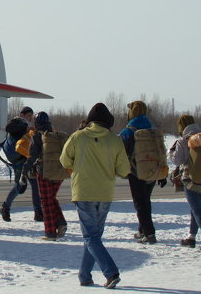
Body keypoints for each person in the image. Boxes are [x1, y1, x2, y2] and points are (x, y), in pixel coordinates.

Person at [60, 103, 129, 289]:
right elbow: (124, 169)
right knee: (94, 236)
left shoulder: (78, 137)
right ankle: (84, 275)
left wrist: (76, 167)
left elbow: (64, 159)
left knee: (91, 237)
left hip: (83, 191)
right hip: (105, 192)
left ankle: (111, 272)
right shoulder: (115, 140)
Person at [169, 114, 201, 252]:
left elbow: (177, 160)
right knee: (195, 209)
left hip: (190, 181)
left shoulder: (183, 141)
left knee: (196, 210)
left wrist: (170, 152)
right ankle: (191, 237)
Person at [118, 100, 162, 244]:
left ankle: (149, 233)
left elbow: (119, 148)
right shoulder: (151, 128)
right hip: (152, 171)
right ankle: (143, 229)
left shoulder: (129, 130)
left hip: (136, 172)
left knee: (140, 203)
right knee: (146, 201)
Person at [24, 111, 67, 239]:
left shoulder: (37, 136)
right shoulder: (55, 135)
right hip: (59, 173)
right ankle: (60, 222)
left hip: (44, 173)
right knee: (52, 198)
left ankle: (50, 232)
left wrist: (24, 170)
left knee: (46, 201)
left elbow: (32, 156)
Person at [0, 111, 31, 222]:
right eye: (29, 115)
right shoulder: (22, 129)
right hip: (22, 160)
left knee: (20, 186)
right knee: (23, 186)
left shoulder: (13, 129)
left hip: (17, 160)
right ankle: (5, 207)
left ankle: (6, 207)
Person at [17, 106, 45, 221]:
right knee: (33, 187)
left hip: (28, 161)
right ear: (22, 115)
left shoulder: (30, 129)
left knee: (33, 187)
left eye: (31, 116)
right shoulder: (21, 126)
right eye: (28, 115)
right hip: (26, 161)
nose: (30, 118)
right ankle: (38, 211)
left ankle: (38, 211)